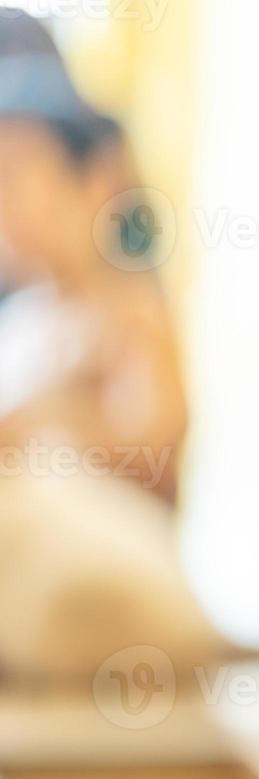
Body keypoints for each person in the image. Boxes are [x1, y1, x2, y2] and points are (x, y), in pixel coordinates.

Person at [0, 10, 186, 503]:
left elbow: (155, 462)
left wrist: (33, 428)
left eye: (16, 178)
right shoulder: (23, 318)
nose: (6, 211)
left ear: (94, 183)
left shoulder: (128, 315)